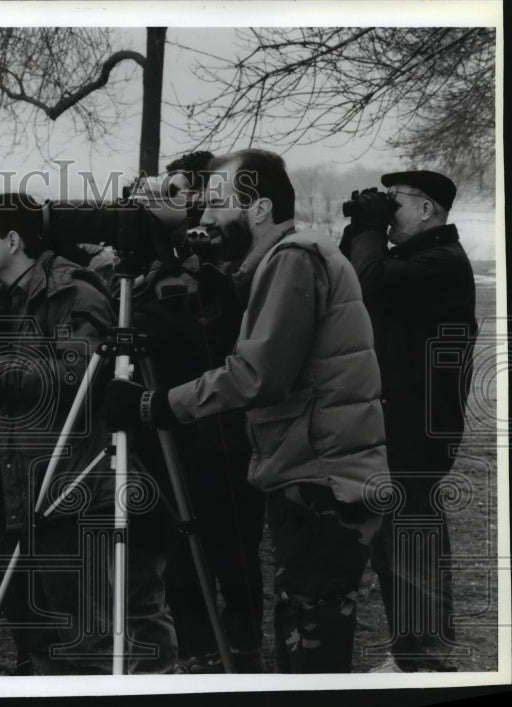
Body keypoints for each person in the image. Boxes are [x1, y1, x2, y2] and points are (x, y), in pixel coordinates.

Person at [105, 149, 388, 673]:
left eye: (217, 203)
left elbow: (259, 374)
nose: (205, 216)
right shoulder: (285, 260)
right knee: (304, 638)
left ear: (257, 210)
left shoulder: (294, 258)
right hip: (317, 475)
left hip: (321, 480)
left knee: (311, 654)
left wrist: (156, 404)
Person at [0, 192, 177, 675]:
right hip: (42, 487)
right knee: (56, 635)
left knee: (88, 639)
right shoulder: (10, 295)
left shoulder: (71, 293)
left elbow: (71, 376)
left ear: (14, 240)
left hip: (79, 489)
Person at [131, 150, 266, 672]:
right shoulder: (151, 272)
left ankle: (243, 644)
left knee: (234, 546)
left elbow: (225, 335)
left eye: (188, 196)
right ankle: (197, 649)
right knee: (179, 554)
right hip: (171, 430)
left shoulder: (231, 263)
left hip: (223, 430)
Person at [339, 170, 477, 672]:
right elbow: (356, 278)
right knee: (400, 542)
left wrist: (370, 228)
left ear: (426, 209)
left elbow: (371, 282)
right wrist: (363, 226)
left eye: (394, 203)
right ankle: (416, 655)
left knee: (411, 545)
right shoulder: (421, 260)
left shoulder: (441, 264)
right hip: (409, 422)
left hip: (419, 429)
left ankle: (423, 660)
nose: (387, 212)